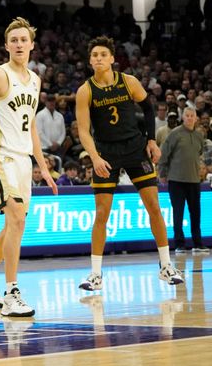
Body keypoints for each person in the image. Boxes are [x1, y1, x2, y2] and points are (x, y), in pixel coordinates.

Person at [0, 18, 58, 317]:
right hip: (0, 156)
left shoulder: (34, 80)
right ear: (6, 46)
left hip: (23, 161)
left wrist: (42, 167)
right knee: (16, 220)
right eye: (13, 40)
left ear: (32, 44)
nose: (18, 44)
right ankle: (12, 292)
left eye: (23, 40)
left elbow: (31, 128)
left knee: (13, 226)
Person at [75, 36, 183, 292]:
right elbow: (83, 131)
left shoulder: (129, 81)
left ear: (112, 58)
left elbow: (148, 108)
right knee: (102, 213)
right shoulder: (85, 91)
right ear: (90, 61)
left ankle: (166, 266)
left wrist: (151, 140)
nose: (99, 58)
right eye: (94, 55)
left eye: (103, 54)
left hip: (135, 148)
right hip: (106, 152)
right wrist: (95, 157)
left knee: (154, 207)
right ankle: (95, 274)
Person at [158, 107, 209, 254]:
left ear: (196, 118)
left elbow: (199, 153)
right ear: (183, 117)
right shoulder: (175, 134)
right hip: (176, 180)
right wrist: (162, 172)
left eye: (192, 115)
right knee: (178, 213)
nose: (189, 118)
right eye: (187, 115)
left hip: (194, 180)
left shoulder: (200, 136)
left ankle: (197, 243)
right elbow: (164, 154)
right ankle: (180, 244)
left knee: (195, 213)